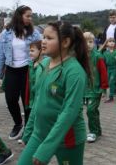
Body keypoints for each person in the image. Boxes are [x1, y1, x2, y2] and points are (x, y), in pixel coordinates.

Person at [18, 21, 90, 165]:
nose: (43, 42)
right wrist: (29, 130)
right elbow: (38, 100)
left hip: (67, 139)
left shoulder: (74, 72)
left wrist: (46, 148)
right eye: (43, 37)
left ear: (65, 42)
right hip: (40, 134)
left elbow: (69, 112)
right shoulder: (43, 65)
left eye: (49, 38)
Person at [0, 5, 41, 140]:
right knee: (10, 99)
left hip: (28, 70)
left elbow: (41, 52)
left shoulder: (34, 33)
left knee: (27, 101)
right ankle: (18, 124)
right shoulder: (6, 33)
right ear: (19, 16)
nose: (30, 18)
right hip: (11, 70)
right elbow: (0, 55)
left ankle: (28, 130)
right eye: (28, 15)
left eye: (31, 16)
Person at [83, 32, 108, 143]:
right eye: (85, 42)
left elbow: (103, 73)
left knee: (90, 110)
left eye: (90, 42)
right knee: (93, 111)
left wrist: (104, 88)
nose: (88, 44)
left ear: (94, 43)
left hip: (96, 89)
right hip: (85, 90)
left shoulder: (98, 56)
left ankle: (93, 131)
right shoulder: (80, 57)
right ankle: (98, 130)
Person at [99, 38, 116, 102]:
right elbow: (100, 58)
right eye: (110, 41)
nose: (112, 43)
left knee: (111, 82)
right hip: (108, 70)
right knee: (109, 84)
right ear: (106, 43)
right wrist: (101, 48)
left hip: (114, 69)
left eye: (113, 41)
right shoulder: (105, 53)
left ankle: (111, 97)